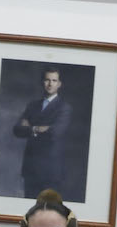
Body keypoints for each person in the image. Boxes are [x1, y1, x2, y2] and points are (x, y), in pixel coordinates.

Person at [12, 67, 72, 196]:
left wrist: (30, 127)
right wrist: (38, 128)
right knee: (29, 210)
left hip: (50, 171)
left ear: (59, 84)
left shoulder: (64, 108)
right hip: (31, 169)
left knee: (47, 211)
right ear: (42, 82)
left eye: (54, 80)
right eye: (47, 80)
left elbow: (55, 133)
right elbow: (17, 130)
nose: (50, 84)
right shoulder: (32, 105)